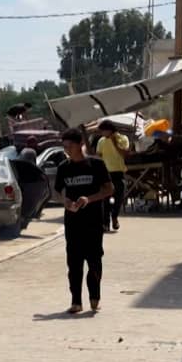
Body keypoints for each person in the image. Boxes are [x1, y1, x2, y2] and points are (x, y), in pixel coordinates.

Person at [55, 128, 114, 314]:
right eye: (64, 147)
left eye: (70, 146)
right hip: (73, 223)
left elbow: (109, 189)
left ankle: (94, 296)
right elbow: (56, 192)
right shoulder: (63, 168)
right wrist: (65, 202)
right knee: (74, 263)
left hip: (94, 222)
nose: (67, 150)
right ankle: (76, 302)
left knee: (94, 261)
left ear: (80, 144)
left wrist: (89, 199)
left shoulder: (96, 165)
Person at [95, 121, 130, 231]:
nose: (102, 133)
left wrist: (115, 142)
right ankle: (106, 223)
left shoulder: (123, 138)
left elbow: (124, 153)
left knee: (119, 199)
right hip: (106, 174)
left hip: (118, 173)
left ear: (109, 129)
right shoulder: (101, 141)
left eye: (103, 130)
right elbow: (99, 156)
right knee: (105, 200)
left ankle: (115, 217)